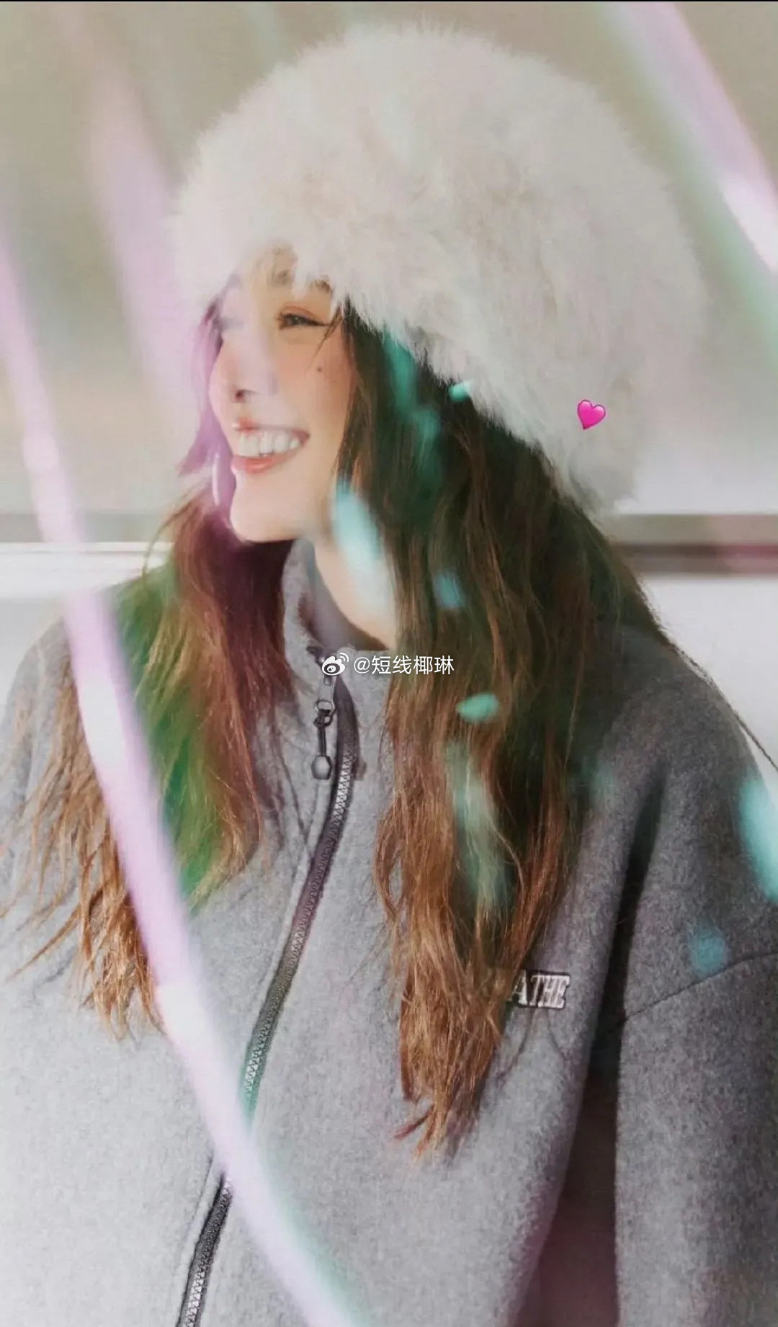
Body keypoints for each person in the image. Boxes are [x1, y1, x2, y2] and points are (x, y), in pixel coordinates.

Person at [1, 17, 777, 1327]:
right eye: (223, 320)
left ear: (453, 367)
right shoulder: (92, 690)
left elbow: (706, 1283)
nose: (231, 379)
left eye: (297, 316)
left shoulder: (652, 771)